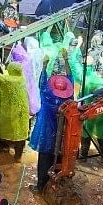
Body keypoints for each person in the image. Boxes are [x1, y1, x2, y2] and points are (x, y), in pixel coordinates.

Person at [29, 52, 74, 192]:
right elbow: (71, 79)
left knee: (44, 162)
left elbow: (41, 82)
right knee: (60, 160)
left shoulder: (46, 95)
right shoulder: (68, 98)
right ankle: (57, 184)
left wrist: (44, 66)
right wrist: (66, 60)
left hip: (45, 137)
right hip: (62, 138)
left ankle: (41, 186)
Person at [0, 59, 30, 161]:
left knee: (6, 129)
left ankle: (7, 148)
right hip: (21, 112)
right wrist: (4, 70)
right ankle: (17, 155)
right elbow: (8, 77)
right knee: (19, 135)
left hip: (11, 112)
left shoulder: (8, 81)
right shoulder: (21, 78)